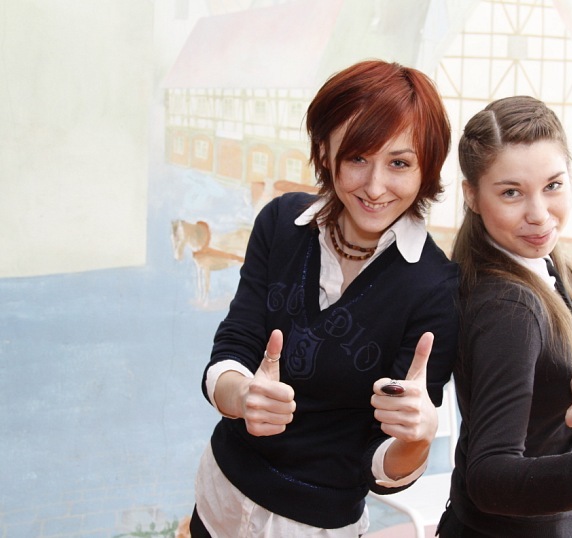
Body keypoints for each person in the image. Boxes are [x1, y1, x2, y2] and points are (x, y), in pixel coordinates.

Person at [189, 60, 458, 537]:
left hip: (314, 525)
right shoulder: (280, 223)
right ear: (324, 152)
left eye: (399, 163)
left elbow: (383, 464)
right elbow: (235, 343)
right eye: (357, 157)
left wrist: (417, 439)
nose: (375, 187)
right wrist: (243, 396)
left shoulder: (436, 289)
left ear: (427, 168)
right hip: (220, 495)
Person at [437, 96, 572, 537]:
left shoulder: (538, 262)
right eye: (511, 192)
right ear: (472, 196)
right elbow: (488, 478)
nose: (539, 215)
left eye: (553, 185)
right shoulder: (510, 309)